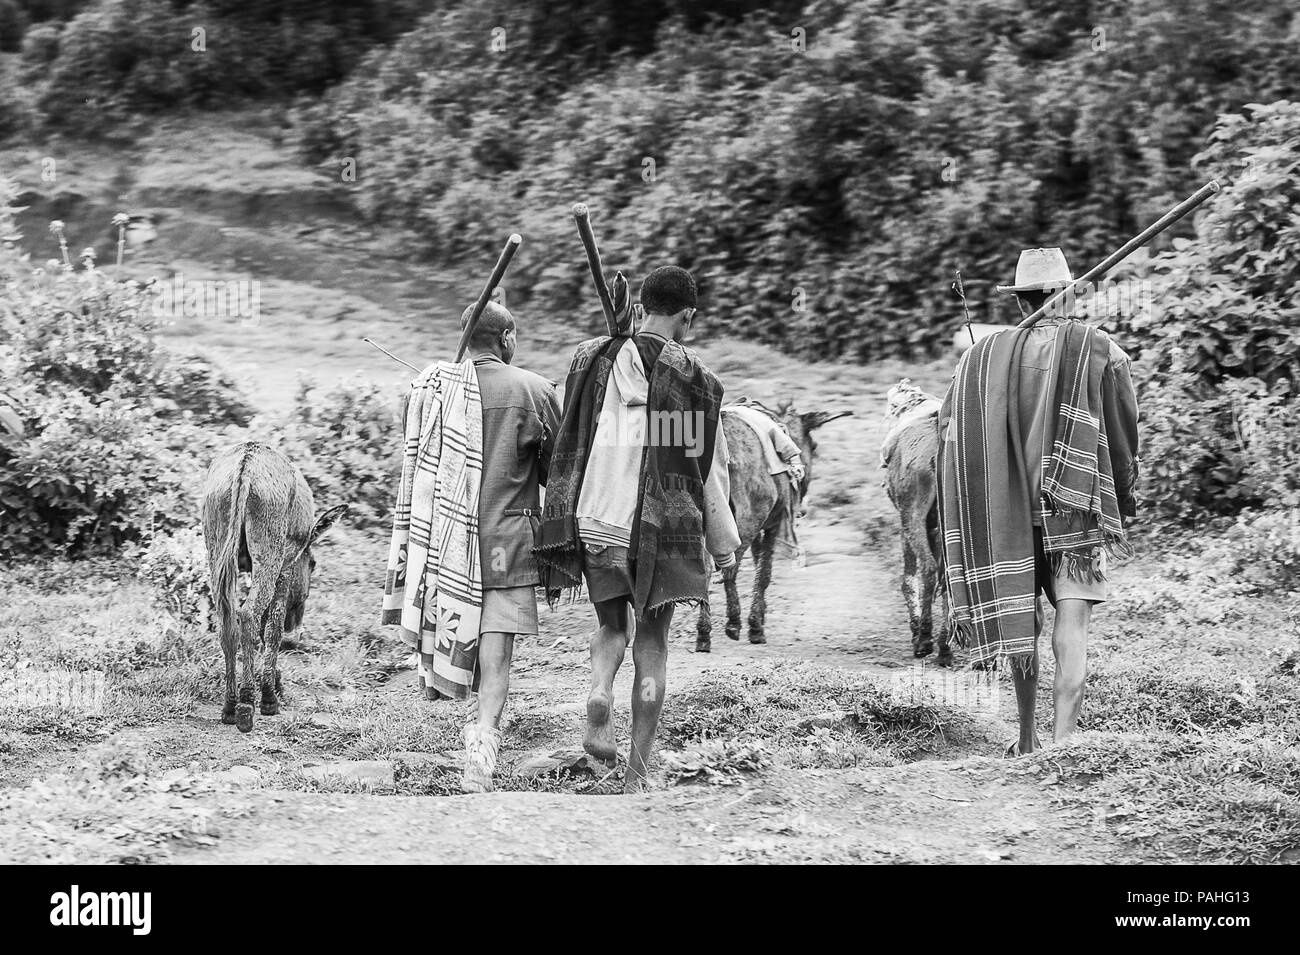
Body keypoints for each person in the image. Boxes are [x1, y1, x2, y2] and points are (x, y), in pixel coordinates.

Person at [537, 265, 741, 792]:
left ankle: (599, 690)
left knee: (611, 629)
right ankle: (636, 775)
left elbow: (572, 430)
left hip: (595, 520)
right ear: (688, 316)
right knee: (653, 644)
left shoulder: (593, 359)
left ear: (640, 307)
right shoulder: (690, 379)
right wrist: (723, 545)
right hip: (656, 531)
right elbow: (694, 469)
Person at [937, 247, 1139, 755]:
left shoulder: (978, 358)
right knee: (1072, 626)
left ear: (1021, 300)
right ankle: (1062, 745)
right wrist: (1122, 490)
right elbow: (1123, 431)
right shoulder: (1099, 349)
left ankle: (1026, 739)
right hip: (1073, 510)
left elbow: (949, 432)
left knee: (1021, 623)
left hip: (1004, 515)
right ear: (1067, 294)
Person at [383, 301, 560, 793]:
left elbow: (417, 451)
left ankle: (466, 713)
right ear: (507, 339)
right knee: (497, 653)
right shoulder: (533, 389)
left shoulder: (429, 390)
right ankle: (482, 746)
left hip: (443, 546)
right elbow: (556, 471)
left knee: (467, 634)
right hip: (508, 543)